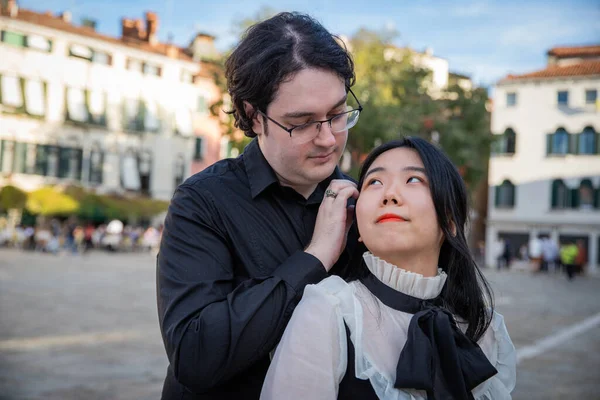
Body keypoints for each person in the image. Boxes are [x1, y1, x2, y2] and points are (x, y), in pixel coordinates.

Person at [157, 12, 362, 400]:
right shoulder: (201, 202)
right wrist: (316, 257)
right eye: (301, 123)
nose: (328, 139)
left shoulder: (364, 199)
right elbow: (195, 356)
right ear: (254, 116)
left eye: (337, 115)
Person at [261, 138, 517, 400]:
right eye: (374, 182)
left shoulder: (484, 327)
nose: (389, 194)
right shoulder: (328, 310)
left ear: (450, 222)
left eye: (414, 180)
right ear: (358, 226)